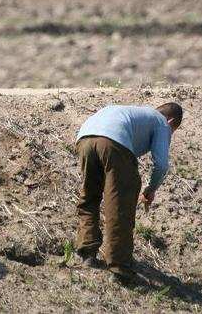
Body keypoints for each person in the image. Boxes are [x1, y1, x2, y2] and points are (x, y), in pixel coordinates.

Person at [73, 102, 183, 283]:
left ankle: (87, 253)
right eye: (173, 131)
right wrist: (151, 188)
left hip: (85, 138)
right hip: (114, 142)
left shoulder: (136, 114)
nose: (170, 135)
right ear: (171, 121)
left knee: (89, 196)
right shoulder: (162, 123)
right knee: (120, 205)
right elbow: (161, 164)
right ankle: (120, 267)